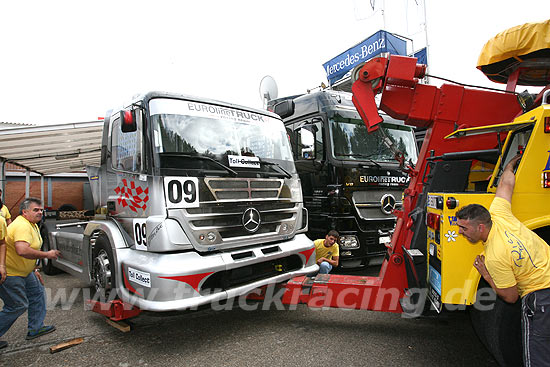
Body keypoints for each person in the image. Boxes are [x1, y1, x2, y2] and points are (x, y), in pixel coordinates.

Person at [455, 155, 550, 366]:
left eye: (464, 228)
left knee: (537, 355)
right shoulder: (498, 213)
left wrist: (487, 275)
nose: (461, 233)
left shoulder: (496, 256)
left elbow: (511, 297)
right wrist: (509, 165)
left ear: (480, 227)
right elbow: (506, 184)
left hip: (541, 297)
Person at [0, 197, 61, 349]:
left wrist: (33, 269)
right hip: (11, 273)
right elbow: (22, 250)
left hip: (25, 272)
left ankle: (35, 328)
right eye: (36, 210)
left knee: (38, 293)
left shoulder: (31, 224)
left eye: (41, 210)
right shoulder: (22, 226)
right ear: (24, 212)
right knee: (17, 306)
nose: (40, 212)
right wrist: (47, 255)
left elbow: (28, 248)